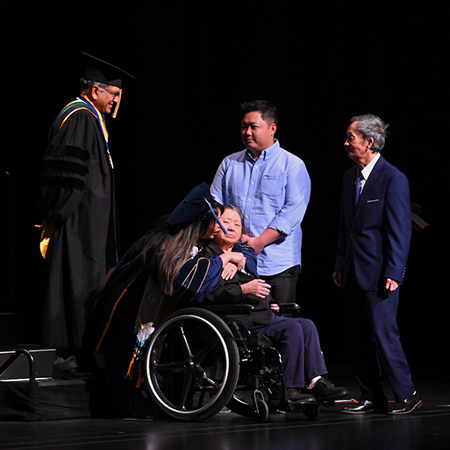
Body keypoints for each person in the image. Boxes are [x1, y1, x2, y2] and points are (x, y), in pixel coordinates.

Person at [82, 183, 243, 417]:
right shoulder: (165, 243)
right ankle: (133, 405)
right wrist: (226, 257)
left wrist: (231, 255)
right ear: (201, 222)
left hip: (152, 317)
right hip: (130, 312)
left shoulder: (183, 242)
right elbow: (186, 282)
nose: (218, 229)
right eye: (215, 223)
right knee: (131, 360)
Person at [194, 205, 348, 404]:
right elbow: (211, 295)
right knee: (292, 327)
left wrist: (271, 302)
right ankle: (288, 389)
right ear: (215, 227)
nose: (231, 227)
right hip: (236, 321)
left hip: (259, 315)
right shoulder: (209, 258)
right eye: (226, 222)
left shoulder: (243, 256)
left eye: (237, 224)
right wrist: (243, 290)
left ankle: (315, 381)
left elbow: (257, 286)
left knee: (307, 325)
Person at [38, 67, 125, 375]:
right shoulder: (79, 117)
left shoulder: (90, 118)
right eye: (113, 94)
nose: (115, 101)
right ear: (95, 91)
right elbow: (66, 172)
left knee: (87, 283)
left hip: (90, 222)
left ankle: (83, 354)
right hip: (79, 223)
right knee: (77, 284)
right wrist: (55, 212)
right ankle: (70, 357)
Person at [333, 114, 421, 415]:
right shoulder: (349, 177)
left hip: (379, 271)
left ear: (369, 142)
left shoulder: (393, 178)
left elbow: (400, 231)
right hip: (353, 270)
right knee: (357, 336)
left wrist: (394, 272)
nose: (346, 143)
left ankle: (407, 393)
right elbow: (346, 227)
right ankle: (372, 395)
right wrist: (340, 264)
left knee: (384, 333)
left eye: (351, 137)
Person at [210, 100, 311, 305]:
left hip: (278, 264)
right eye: (243, 127)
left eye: (253, 127)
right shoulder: (230, 163)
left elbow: (292, 212)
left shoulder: (292, 165)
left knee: (280, 326)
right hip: (236, 260)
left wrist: (258, 242)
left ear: (272, 128)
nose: (247, 132)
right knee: (242, 328)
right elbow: (215, 207)